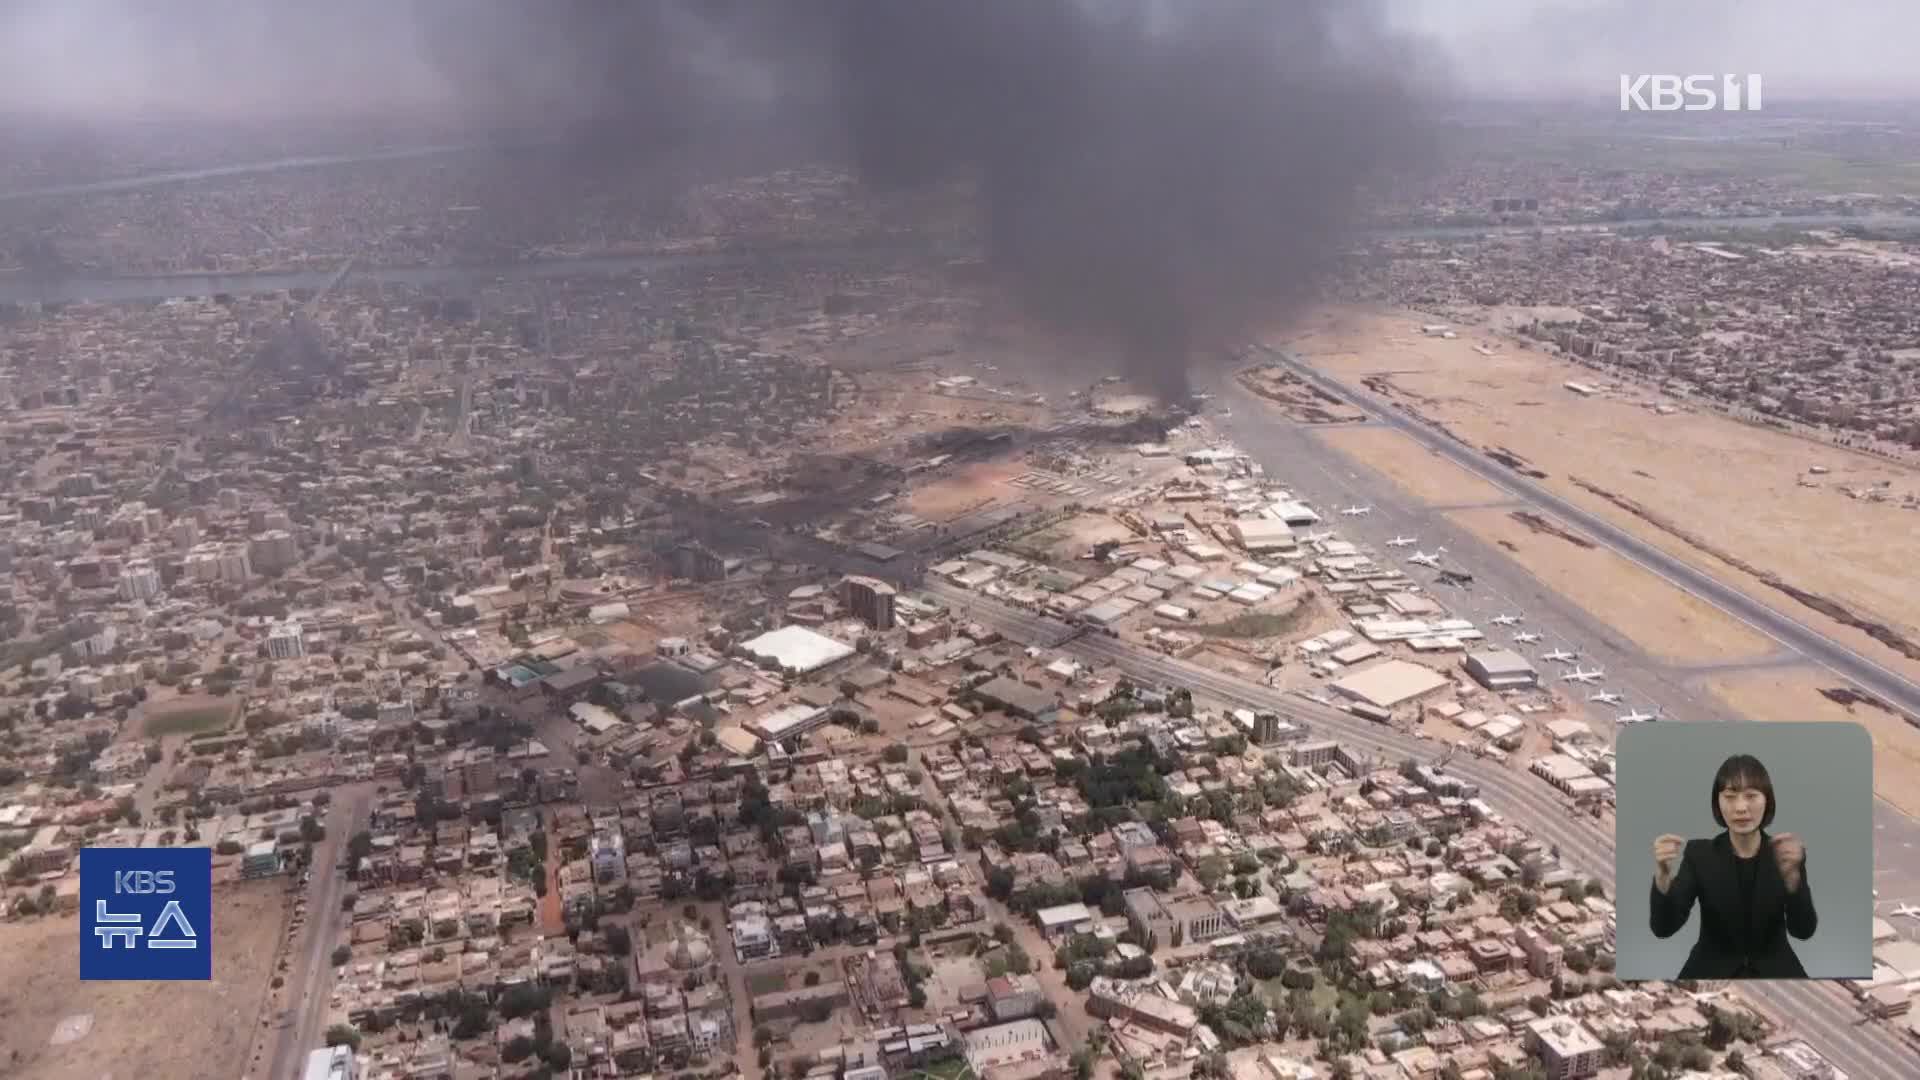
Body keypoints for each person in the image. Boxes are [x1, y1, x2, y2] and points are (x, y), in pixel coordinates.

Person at [1649, 753, 1815, 979]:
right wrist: (1662, 877)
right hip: (1710, 970)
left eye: (1751, 796)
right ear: (1717, 802)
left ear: (1767, 801)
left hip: (1776, 970)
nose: (1740, 808)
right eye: (1730, 796)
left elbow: (1803, 931)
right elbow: (1664, 929)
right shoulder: (1699, 855)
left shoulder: (1785, 853)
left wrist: (1795, 881)